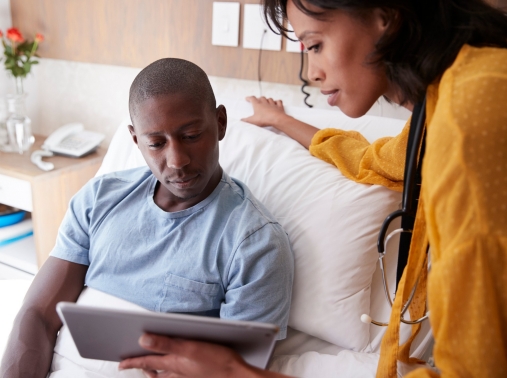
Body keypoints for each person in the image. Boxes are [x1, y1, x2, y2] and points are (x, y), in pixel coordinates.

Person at [118, 0, 507, 377]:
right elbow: (370, 158)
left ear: (385, 16)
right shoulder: (446, 103)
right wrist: (281, 120)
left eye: (316, 45)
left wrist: (237, 374)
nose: (311, 73)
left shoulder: (471, 117)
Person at [0, 58, 294, 377]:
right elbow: (38, 316)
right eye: (156, 143)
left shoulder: (255, 244)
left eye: (192, 135)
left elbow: (238, 371)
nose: (177, 160)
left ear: (220, 122)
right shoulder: (98, 200)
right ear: (136, 140)